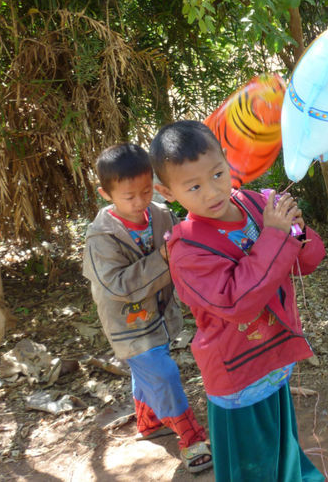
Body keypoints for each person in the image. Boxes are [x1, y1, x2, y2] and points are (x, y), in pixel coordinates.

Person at [150, 120, 326, 482]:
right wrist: (276, 236)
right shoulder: (186, 249)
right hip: (239, 374)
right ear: (167, 192)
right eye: (193, 186)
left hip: (275, 358)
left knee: (281, 445)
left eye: (217, 174)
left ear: (228, 162)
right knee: (252, 468)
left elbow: (306, 262)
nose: (212, 191)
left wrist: (297, 229)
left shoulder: (255, 204)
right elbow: (237, 303)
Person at [82, 143, 212, 474]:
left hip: (163, 316)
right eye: (129, 196)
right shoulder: (101, 238)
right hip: (129, 326)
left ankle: (149, 420)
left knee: (150, 373)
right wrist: (163, 258)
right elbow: (119, 286)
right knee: (164, 374)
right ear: (105, 193)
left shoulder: (161, 214)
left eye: (145, 190)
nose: (140, 201)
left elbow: (181, 250)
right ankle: (191, 437)